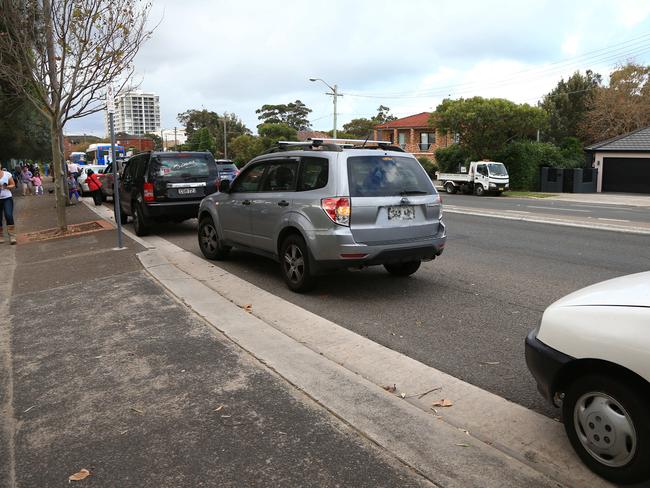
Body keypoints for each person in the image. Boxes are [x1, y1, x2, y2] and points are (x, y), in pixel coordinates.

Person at [0, 166, 17, 244]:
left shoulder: (7, 174)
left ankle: (12, 236)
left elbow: (13, 184)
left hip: (7, 198)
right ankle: (0, 236)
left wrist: (6, 187)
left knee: (9, 215)